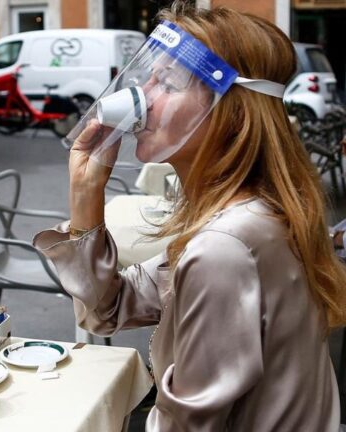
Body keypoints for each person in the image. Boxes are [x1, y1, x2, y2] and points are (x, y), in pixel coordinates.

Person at [34, 4, 346, 431]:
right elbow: (107, 308)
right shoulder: (257, 213)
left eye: (166, 82)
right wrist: (86, 193)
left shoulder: (225, 245)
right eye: (147, 76)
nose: (140, 97)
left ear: (229, 111)